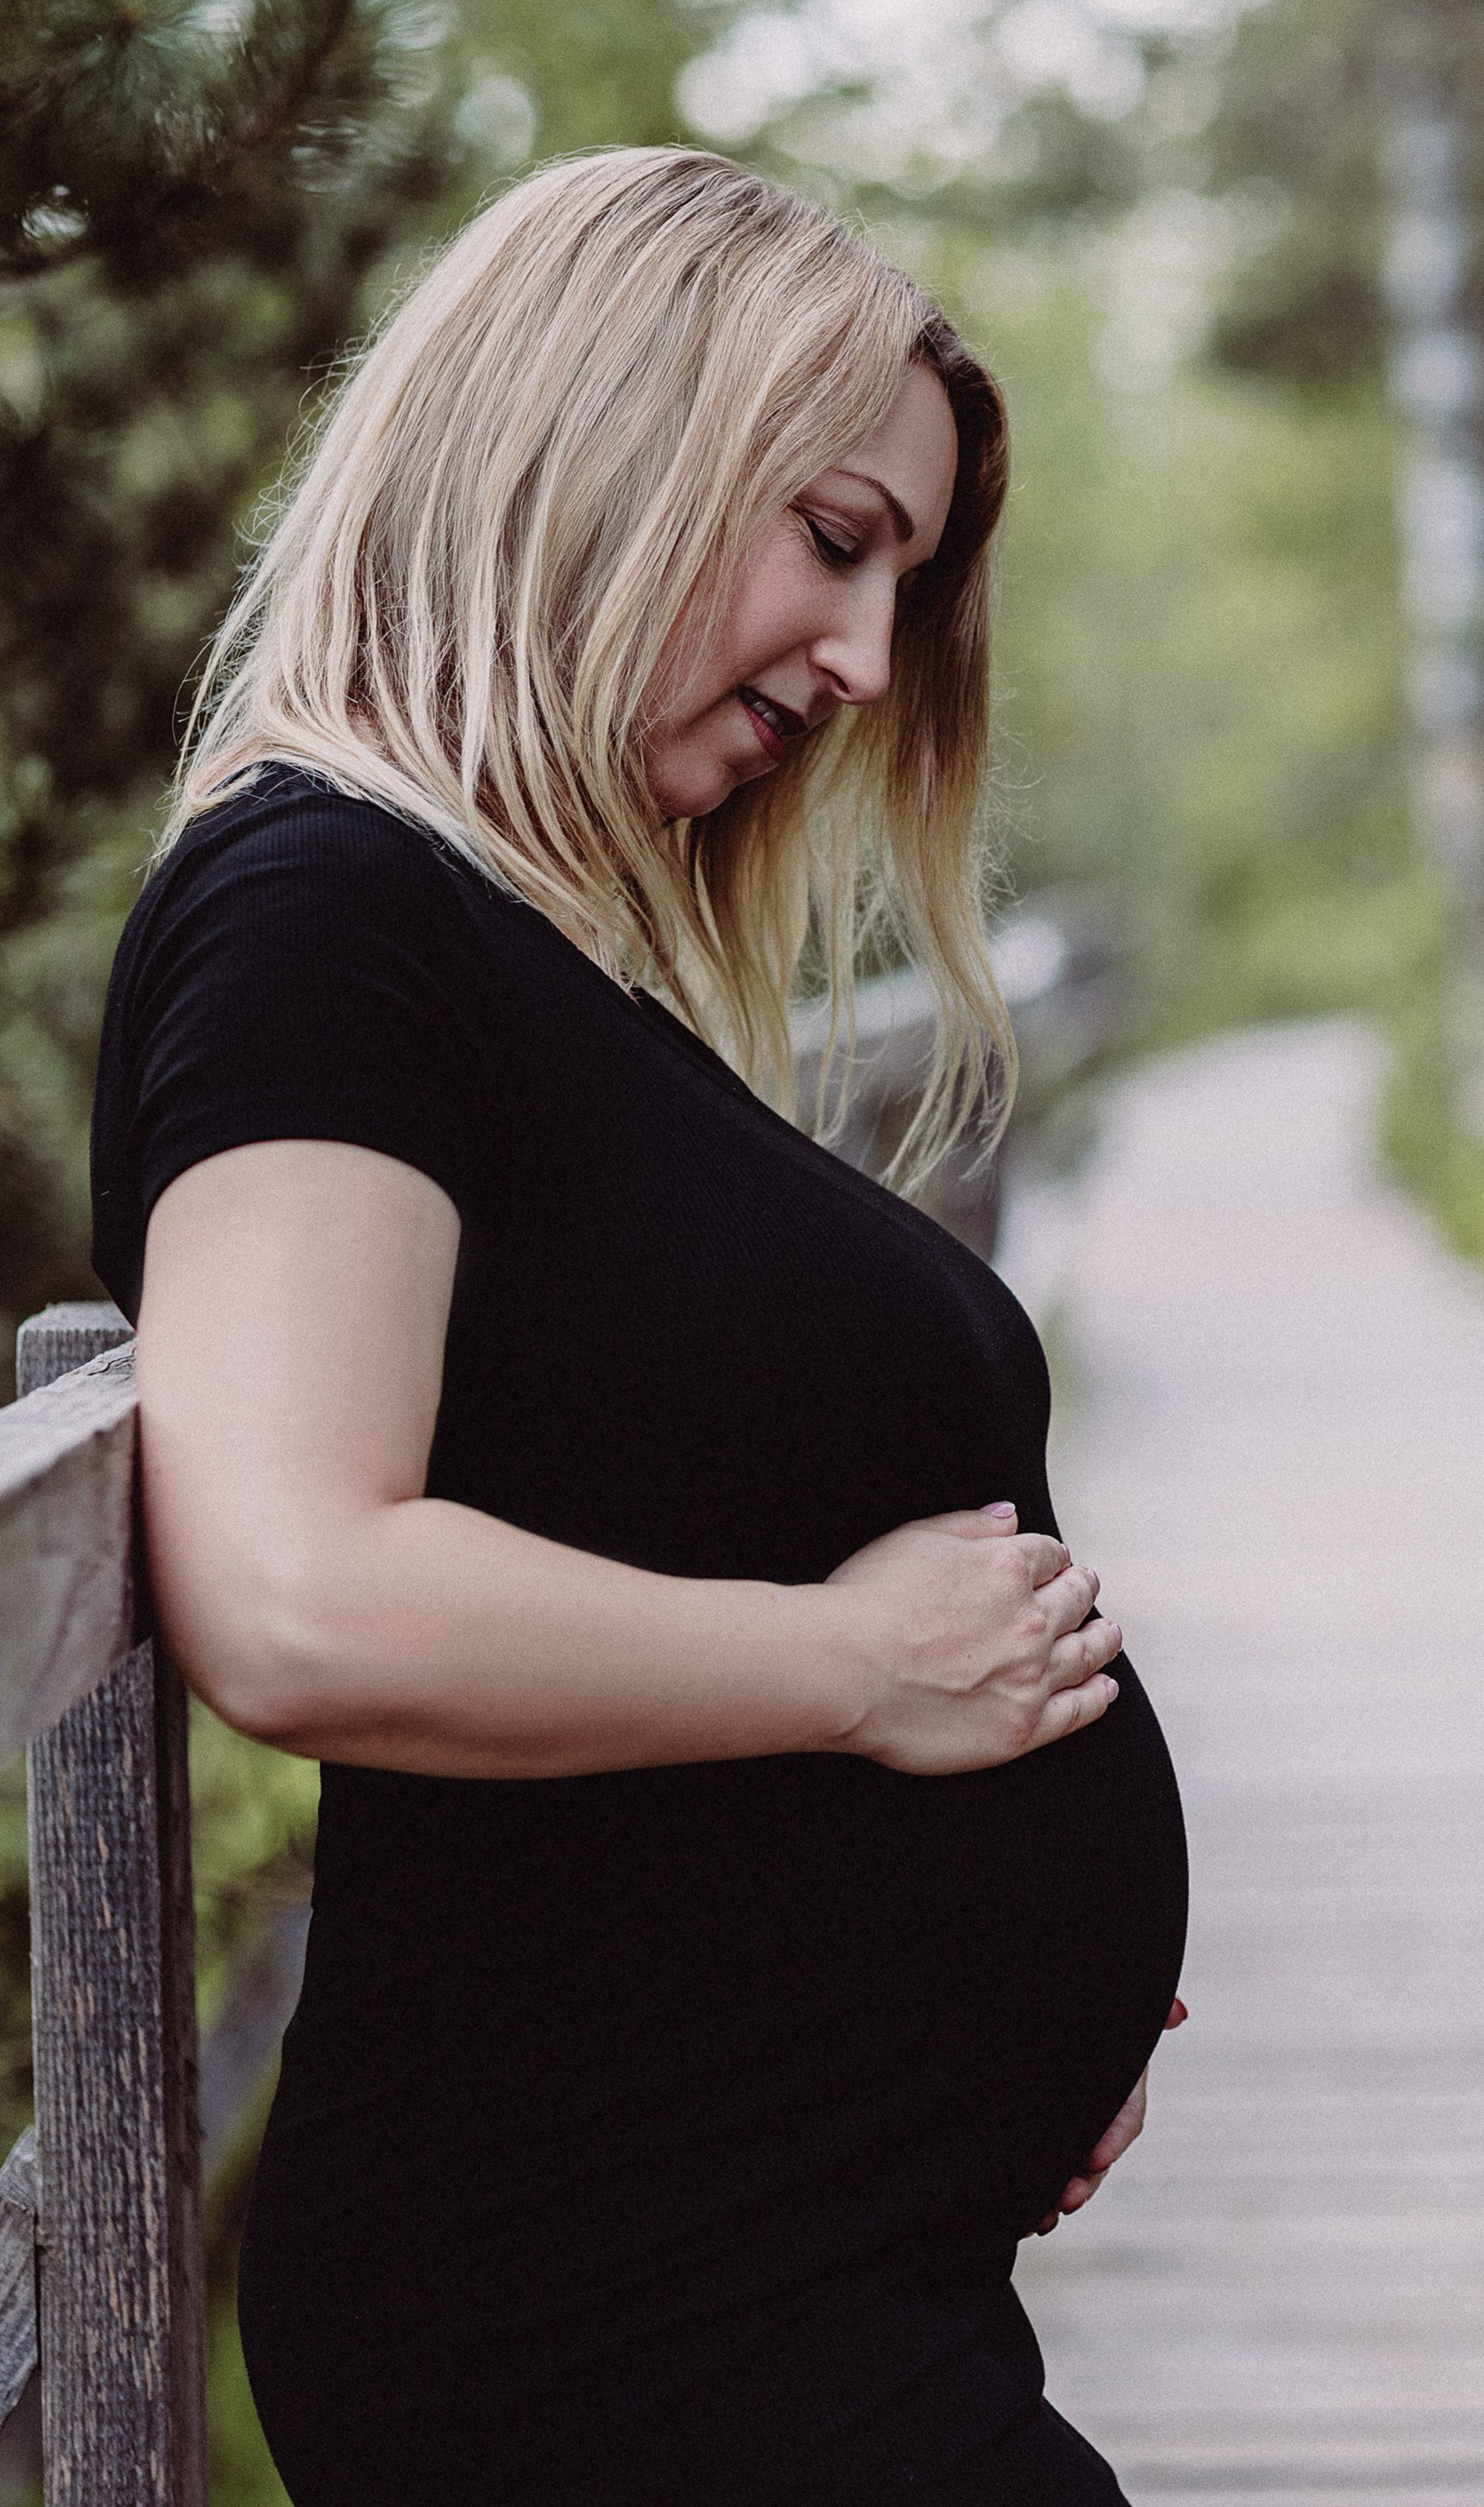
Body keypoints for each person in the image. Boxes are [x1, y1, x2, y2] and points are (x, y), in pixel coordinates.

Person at [90, 148, 1188, 2506]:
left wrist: (963, 2011)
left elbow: (627, 1478)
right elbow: (294, 1589)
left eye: (904, 576)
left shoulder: (521, 960)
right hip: (611, 2313)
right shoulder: (319, 915)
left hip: (780, 2267)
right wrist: (864, 1675)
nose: (869, 661)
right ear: (603, 449)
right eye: (831, 535)